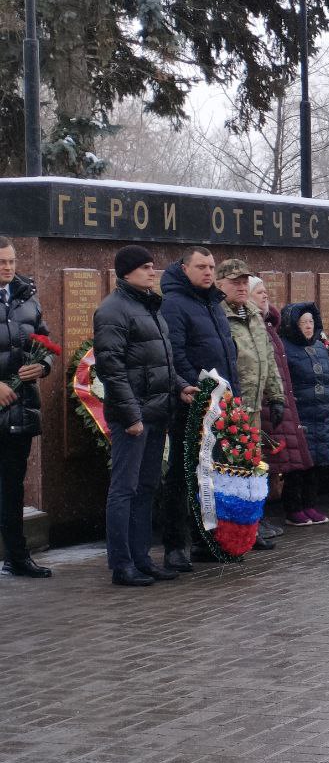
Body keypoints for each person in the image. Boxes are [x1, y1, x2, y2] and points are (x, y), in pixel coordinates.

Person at [94, 246, 198, 586]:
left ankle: (142, 558)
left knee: (146, 487)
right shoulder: (112, 311)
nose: (153, 273)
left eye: (153, 267)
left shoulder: (149, 305)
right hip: (134, 417)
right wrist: (131, 415)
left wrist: (181, 386)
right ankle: (121, 564)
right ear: (127, 273)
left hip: (157, 411)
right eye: (146, 268)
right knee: (124, 489)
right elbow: (112, 369)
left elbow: (160, 361)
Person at [159, 246, 238, 571]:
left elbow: (225, 353)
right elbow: (175, 353)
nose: (208, 272)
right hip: (191, 402)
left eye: (211, 266)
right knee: (181, 475)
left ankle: (206, 541)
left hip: (220, 403)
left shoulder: (214, 303)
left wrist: (232, 392)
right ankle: (176, 546)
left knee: (210, 474)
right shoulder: (175, 303)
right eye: (201, 266)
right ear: (184, 268)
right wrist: (198, 387)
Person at [217, 260, 284, 549]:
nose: (242, 287)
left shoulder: (254, 315)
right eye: (235, 282)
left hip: (254, 408)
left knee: (252, 470)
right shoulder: (218, 315)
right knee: (231, 473)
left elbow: (267, 358)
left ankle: (251, 526)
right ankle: (232, 532)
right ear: (220, 284)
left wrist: (277, 395)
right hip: (229, 410)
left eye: (245, 282)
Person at [0, 237, 55, 578]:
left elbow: (45, 340)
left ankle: (17, 556)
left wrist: (43, 365)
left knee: (12, 486)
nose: (7, 267)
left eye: (10, 261)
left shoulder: (26, 298)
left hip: (19, 408)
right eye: (0, 262)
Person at [251, 278, 315, 527]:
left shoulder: (268, 327)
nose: (265, 295)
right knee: (261, 462)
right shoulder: (255, 326)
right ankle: (259, 517)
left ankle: (261, 517)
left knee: (271, 463)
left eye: (266, 291)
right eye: (259, 292)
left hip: (276, 402)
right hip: (261, 402)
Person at [277, 303, 329, 526]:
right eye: (303, 322)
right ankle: (293, 507)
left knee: (316, 463)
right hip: (299, 415)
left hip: (321, 415)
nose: (307, 326)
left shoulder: (321, 348)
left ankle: (310, 504)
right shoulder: (285, 347)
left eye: (311, 322)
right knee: (297, 465)